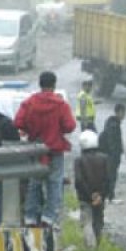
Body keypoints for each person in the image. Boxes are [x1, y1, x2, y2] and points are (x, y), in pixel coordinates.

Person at [14, 71, 77, 228]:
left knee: (34, 182)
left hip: (35, 149)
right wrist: (58, 129)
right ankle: (49, 217)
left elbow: (18, 122)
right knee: (54, 183)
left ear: (40, 84)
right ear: (54, 85)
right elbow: (70, 126)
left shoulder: (30, 102)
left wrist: (30, 130)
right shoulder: (61, 104)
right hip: (54, 149)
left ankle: (30, 216)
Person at [74, 130, 108, 247]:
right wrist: (100, 195)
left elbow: (78, 180)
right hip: (100, 197)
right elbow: (107, 179)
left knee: (87, 221)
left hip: (85, 197)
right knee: (98, 220)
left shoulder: (79, 160)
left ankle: (90, 247)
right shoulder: (104, 158)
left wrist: (89, 195)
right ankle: (97, 244)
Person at [98, 104, 126, 203]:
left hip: (107, 153)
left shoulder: (111, 123)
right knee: (111, 175)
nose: (124, 115)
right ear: (119, 112)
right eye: (123, 112)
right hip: (112, 155)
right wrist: (115, 154)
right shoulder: (114, 125)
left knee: (108, 174)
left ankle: (107, 195)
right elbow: (113, 142)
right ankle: (110, 196)